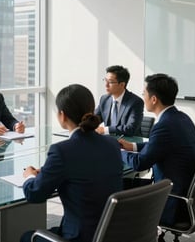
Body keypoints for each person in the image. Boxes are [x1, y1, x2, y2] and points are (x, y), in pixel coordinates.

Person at [20, 84, 123, 242]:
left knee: (27, 237)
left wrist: (29, 176)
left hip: (79, 236)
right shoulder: (112, 144)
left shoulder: (62, 151)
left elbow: (34, 194)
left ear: (62, 115)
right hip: (110, 233)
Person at [120, 74, 195, 225]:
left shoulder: (164, 126)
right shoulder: (182, 118)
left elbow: (140, 164)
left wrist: (118, 152)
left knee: (117, 190)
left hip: (171, 202)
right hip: (186, 198)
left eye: (144, 93)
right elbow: (159, 145)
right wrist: (132, 146)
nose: (142, 96)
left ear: (154, 99)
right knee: (126, 184)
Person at [95, 65, 144, 136]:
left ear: (122, 84)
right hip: (109, 141)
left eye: (110, 82)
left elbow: (131, 128)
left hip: (129, 143)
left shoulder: (135, 102)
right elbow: (94, 119)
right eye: (105, 80)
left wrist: (105, 130)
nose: (106, 85)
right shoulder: (104, 99)